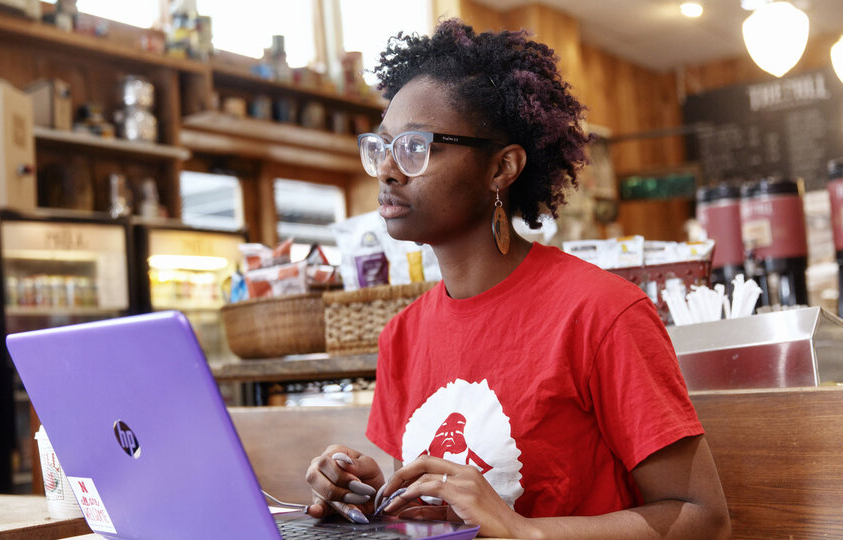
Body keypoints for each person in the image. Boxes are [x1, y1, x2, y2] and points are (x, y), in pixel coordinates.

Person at [305, 19, 731, 539]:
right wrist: (377, 500)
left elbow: (703, 517)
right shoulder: (402, 335)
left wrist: (523, 530)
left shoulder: (601, 314)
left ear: (502, 168)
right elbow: (444, 518)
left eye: (416, 147)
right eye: (381, 148)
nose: (389, 171)